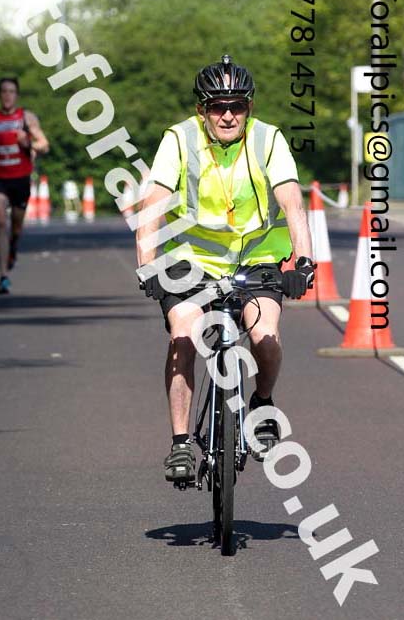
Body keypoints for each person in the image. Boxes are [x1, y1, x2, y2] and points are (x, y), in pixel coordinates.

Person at [135, 55, 315, 484]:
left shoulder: (268, 140)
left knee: (265, 336)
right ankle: (180, 444)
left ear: (249, 107)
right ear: (202, 110)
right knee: (183, 335)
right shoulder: (179, 140)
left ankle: (263, 403)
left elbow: (292, 202)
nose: (228, 114)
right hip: (191, 261)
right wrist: (146, 265)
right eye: (217, 106)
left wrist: (304, 263)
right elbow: (151, 209)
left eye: (237, 105)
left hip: (255, 257)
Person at [0, 77, 49, 294]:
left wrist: (28, 143)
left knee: (16, 227)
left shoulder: (26, 118)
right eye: (4, 91)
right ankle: (3, 275)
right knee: (0, 221)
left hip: (20, 179)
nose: (7, 95)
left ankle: (13, 247)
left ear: (17, 95)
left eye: (11, 91)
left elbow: (44, 145)